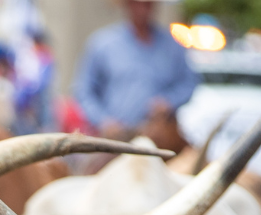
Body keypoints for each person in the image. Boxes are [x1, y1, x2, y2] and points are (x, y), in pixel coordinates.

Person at [74, 0, 198, 149]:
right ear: (126, 5)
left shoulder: (172, 46)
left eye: (147, 4)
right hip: (117, 141)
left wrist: (169, 102)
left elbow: (189, 83)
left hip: (162, 141)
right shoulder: (103, 44)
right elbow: (83, 91)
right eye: (136, 4)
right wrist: (103, 121)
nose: (142, 9)